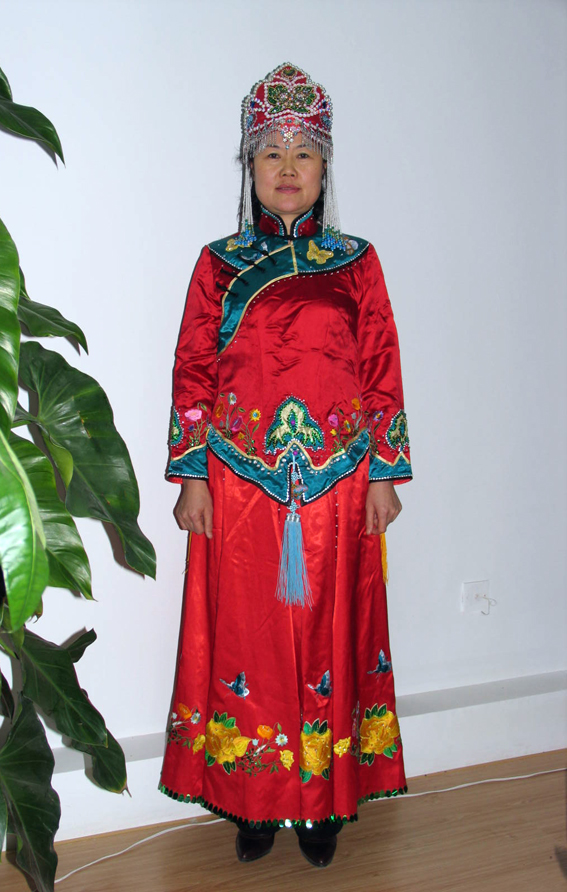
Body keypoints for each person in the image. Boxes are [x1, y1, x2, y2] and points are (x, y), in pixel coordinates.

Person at [160, 63, 413, 869]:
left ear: (325, 167)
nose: (288, 167)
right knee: (248, 641)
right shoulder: (218, 263)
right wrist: (191, 475)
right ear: (250, 165)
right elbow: (192, 371)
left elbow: (381, 368)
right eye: (271, 152)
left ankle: (322, 800)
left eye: (304, 152)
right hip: (240, 484)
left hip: (339, 483)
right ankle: (252, 796)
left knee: (330, 636)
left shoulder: (357, 262)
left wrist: (384, 473)